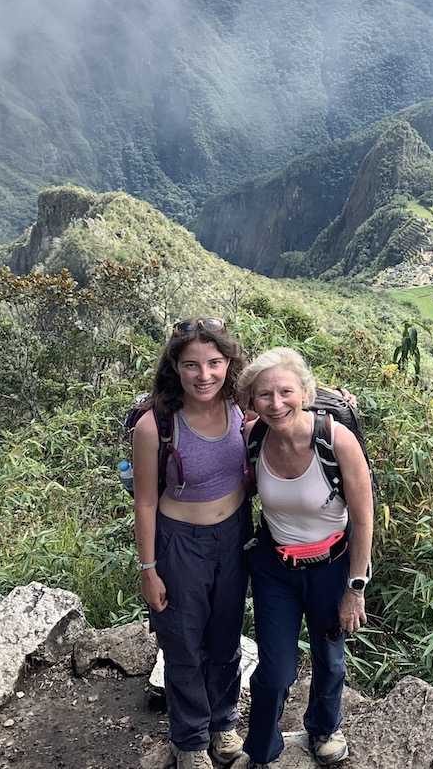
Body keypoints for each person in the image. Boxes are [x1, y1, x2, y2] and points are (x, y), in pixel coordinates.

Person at [234, 347, 373, 768]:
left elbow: (364, 520)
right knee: (275, 669)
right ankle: (262, 747)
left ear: (305, 392)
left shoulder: (336, 440)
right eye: (264, 396)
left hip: (332, 566)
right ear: (251, 401)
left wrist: (356, 589)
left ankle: (325, 727)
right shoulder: (253, 436)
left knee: (329, 656)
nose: (276, 404)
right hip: (277, 569)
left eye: (285, 392)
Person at [132, 318, 252, 769]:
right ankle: (189, 741)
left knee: (225, 640)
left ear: (228, 364)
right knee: (183, 644)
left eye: (215, 363)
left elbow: (291, 397)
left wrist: (338, 398)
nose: (205, 375)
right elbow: (145, 503)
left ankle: (224, 724)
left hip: (234, 536)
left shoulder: (242, 405)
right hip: (180, 543)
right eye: (192, 365)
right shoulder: (155, 427)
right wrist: (150, 569)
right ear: (175, 368)